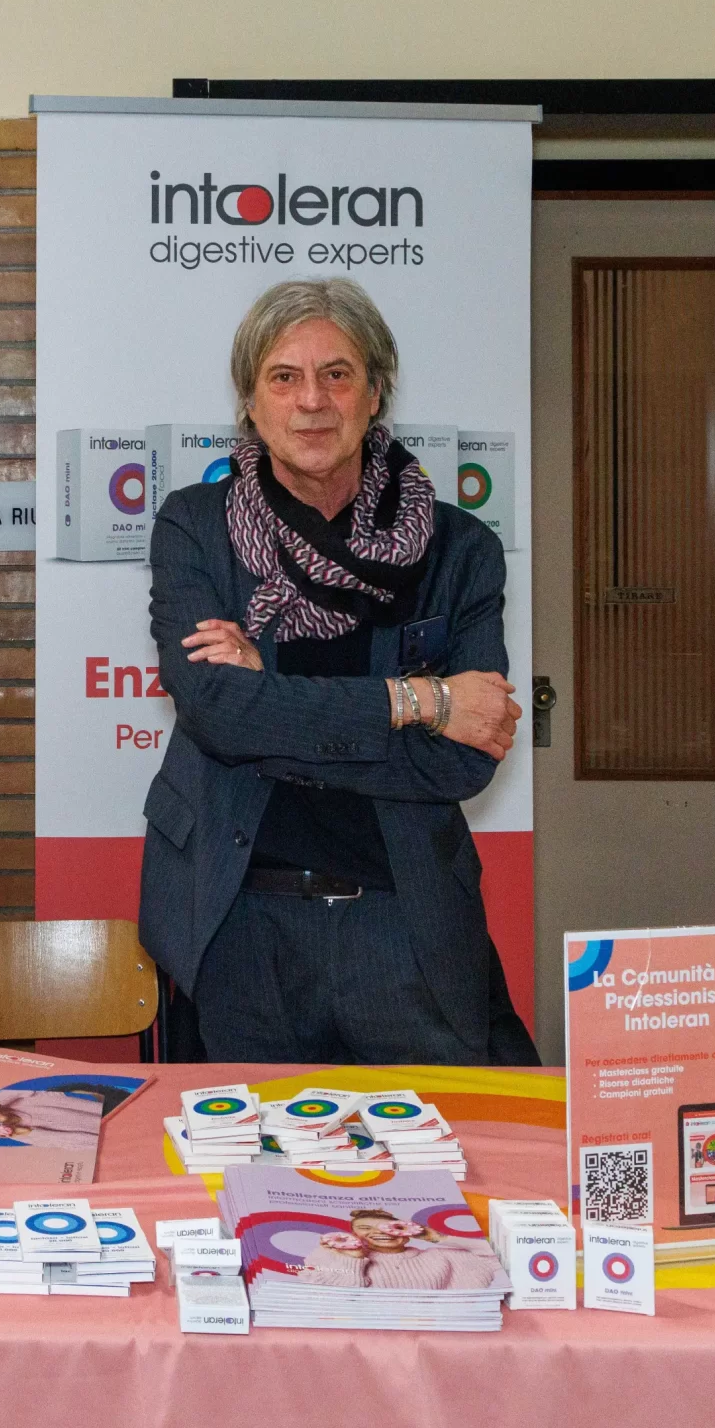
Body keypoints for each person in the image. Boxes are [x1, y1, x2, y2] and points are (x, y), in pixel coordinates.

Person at [140, 277, 538, 1066]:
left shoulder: (460, 550)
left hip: (404, 922)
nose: (312, 401)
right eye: (283, 377)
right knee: (237, 1143)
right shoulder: (195, 528)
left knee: (436, 1139)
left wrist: (271, 705)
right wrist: (418, 700)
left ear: (375, 393)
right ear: (251, 402)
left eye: (337, 374)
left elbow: (461, 759)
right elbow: (218, 715)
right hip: (237, 920)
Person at [293, 1209, 502, 1291]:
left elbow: (497, 1256)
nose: (379, 1232)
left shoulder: (440, 1256)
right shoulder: (330, 1255)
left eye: (390, 1227)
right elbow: (338, 1298)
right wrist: (353, 1258)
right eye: (365, 1228)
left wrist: (437, 1238)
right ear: (354, 1235)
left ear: (407, 1232)